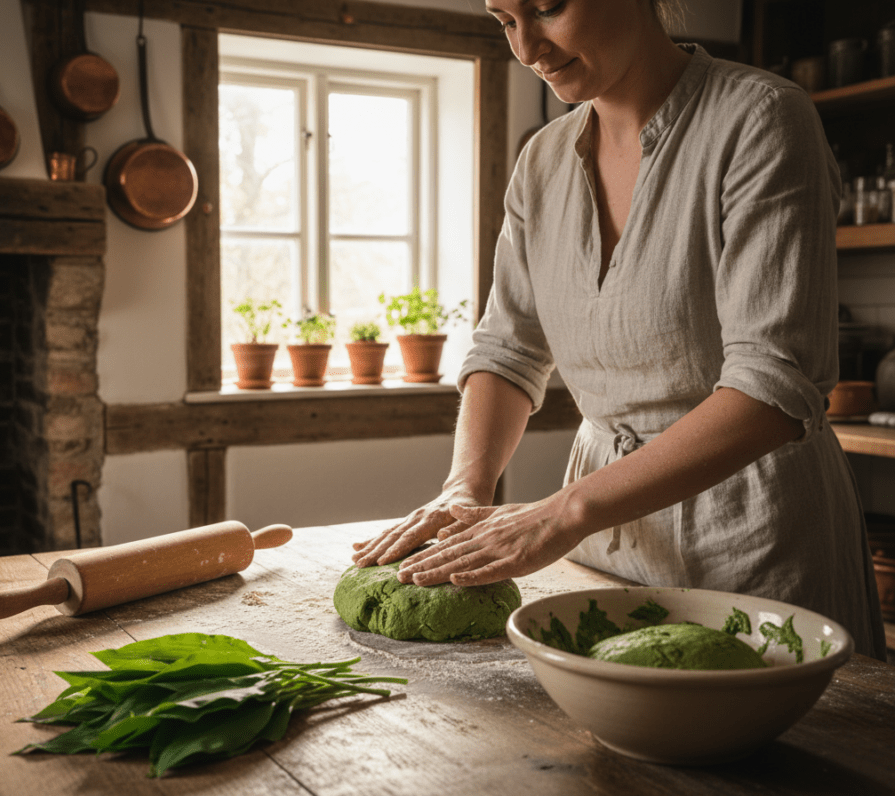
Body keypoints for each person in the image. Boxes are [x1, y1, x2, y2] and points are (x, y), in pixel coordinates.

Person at [352, 0, 886, 659]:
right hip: (604, 545)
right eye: (504, 20)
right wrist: (464, 488)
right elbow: (507, 347)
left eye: (547, 8)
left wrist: (561, 512)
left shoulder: (760, 119)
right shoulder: (542, 161)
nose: (527, 49)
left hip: (754, 536)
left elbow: (772, 388)